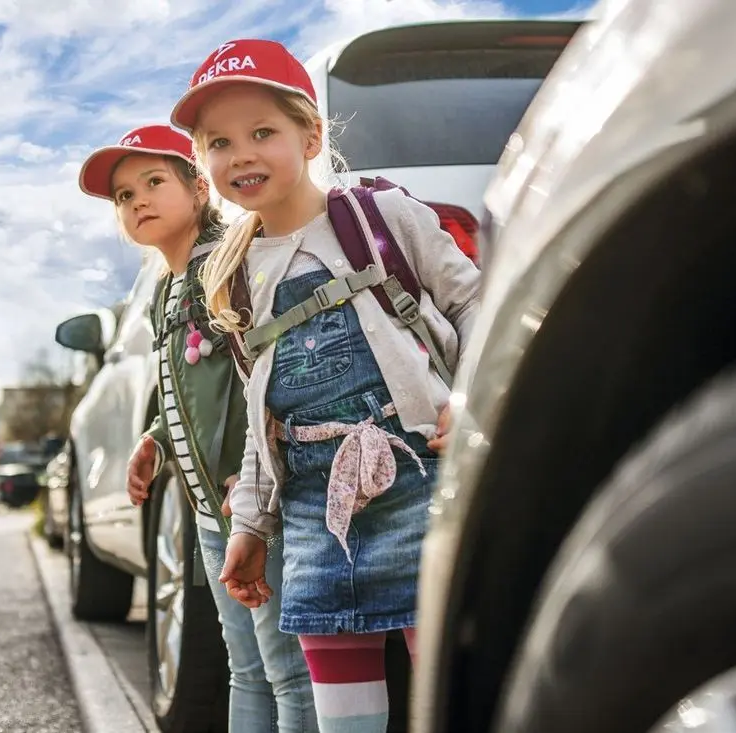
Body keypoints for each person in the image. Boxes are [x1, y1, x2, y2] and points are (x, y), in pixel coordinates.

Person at [169, 40, 480, 733]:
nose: (242, 154)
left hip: (419, 480)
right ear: (203, 162)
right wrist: (250, 522)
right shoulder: (235, 273)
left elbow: (476, 303)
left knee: (446, 695)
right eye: (219, 142)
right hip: (314, 512)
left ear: (310, 136)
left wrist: (474, 397)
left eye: (262, 133)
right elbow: (262, 422)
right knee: (343, 714)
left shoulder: (380, 217)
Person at [78, 123, 318, 733]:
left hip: (253, 502)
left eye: (154, 182)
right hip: (209, 509)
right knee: (245, 667)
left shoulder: (229, 262)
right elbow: (185, 389)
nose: (139, 202)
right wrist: (156, 441)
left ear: (199, 189)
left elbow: (256, 378)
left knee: (286, 669)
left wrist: (252, 492)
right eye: (125, 197)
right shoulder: (167, 289)